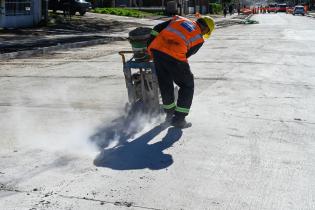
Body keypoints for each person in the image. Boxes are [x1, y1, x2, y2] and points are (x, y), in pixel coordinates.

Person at [147, 15, 215, 128]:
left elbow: (157, 28)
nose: (204, 34)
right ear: (206, 29)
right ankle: (179, 119)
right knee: (187, 85)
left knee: (165, 83)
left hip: (157, 52)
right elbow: (187, 54)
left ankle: (169, 115)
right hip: (174, 57)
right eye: (206, 32)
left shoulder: (180, 19)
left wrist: (150, 46)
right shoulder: (199, 39)